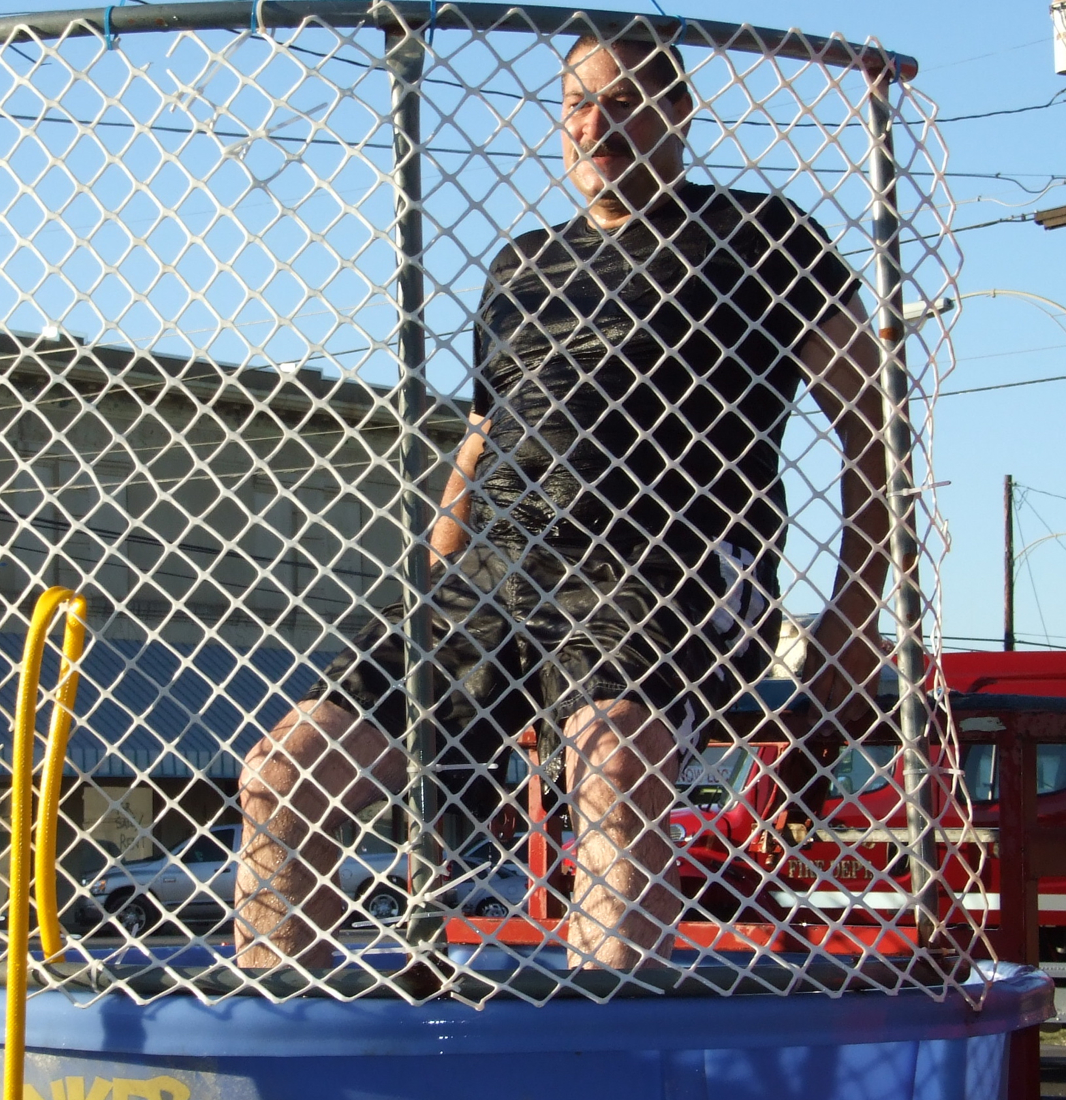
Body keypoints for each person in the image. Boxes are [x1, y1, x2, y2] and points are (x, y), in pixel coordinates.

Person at [233, 32, 889, 973]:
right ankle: (289, 1036)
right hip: (500, 570)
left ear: (679, 112)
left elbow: (873, 424)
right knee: (283, 774)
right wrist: (435, 581)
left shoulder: (761, 236)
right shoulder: (522, 266)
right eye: (577, 103)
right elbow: (480, 441)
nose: (593, 124)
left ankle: (605, 1044)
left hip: (671, 563)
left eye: (622, 101)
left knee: (612, 767)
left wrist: (854, 614)